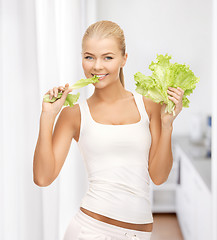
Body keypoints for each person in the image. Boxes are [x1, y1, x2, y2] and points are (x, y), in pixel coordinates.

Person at [33, 20, 184, 240]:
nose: (97, 66)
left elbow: (159, 177)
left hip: (138, 234)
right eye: (89, 57)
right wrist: (47, 116)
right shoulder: (73, 115)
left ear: (124, 59)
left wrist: (168, 124)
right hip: (89, 230)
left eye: (108, 57)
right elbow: (43, 178)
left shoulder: (150, 107)